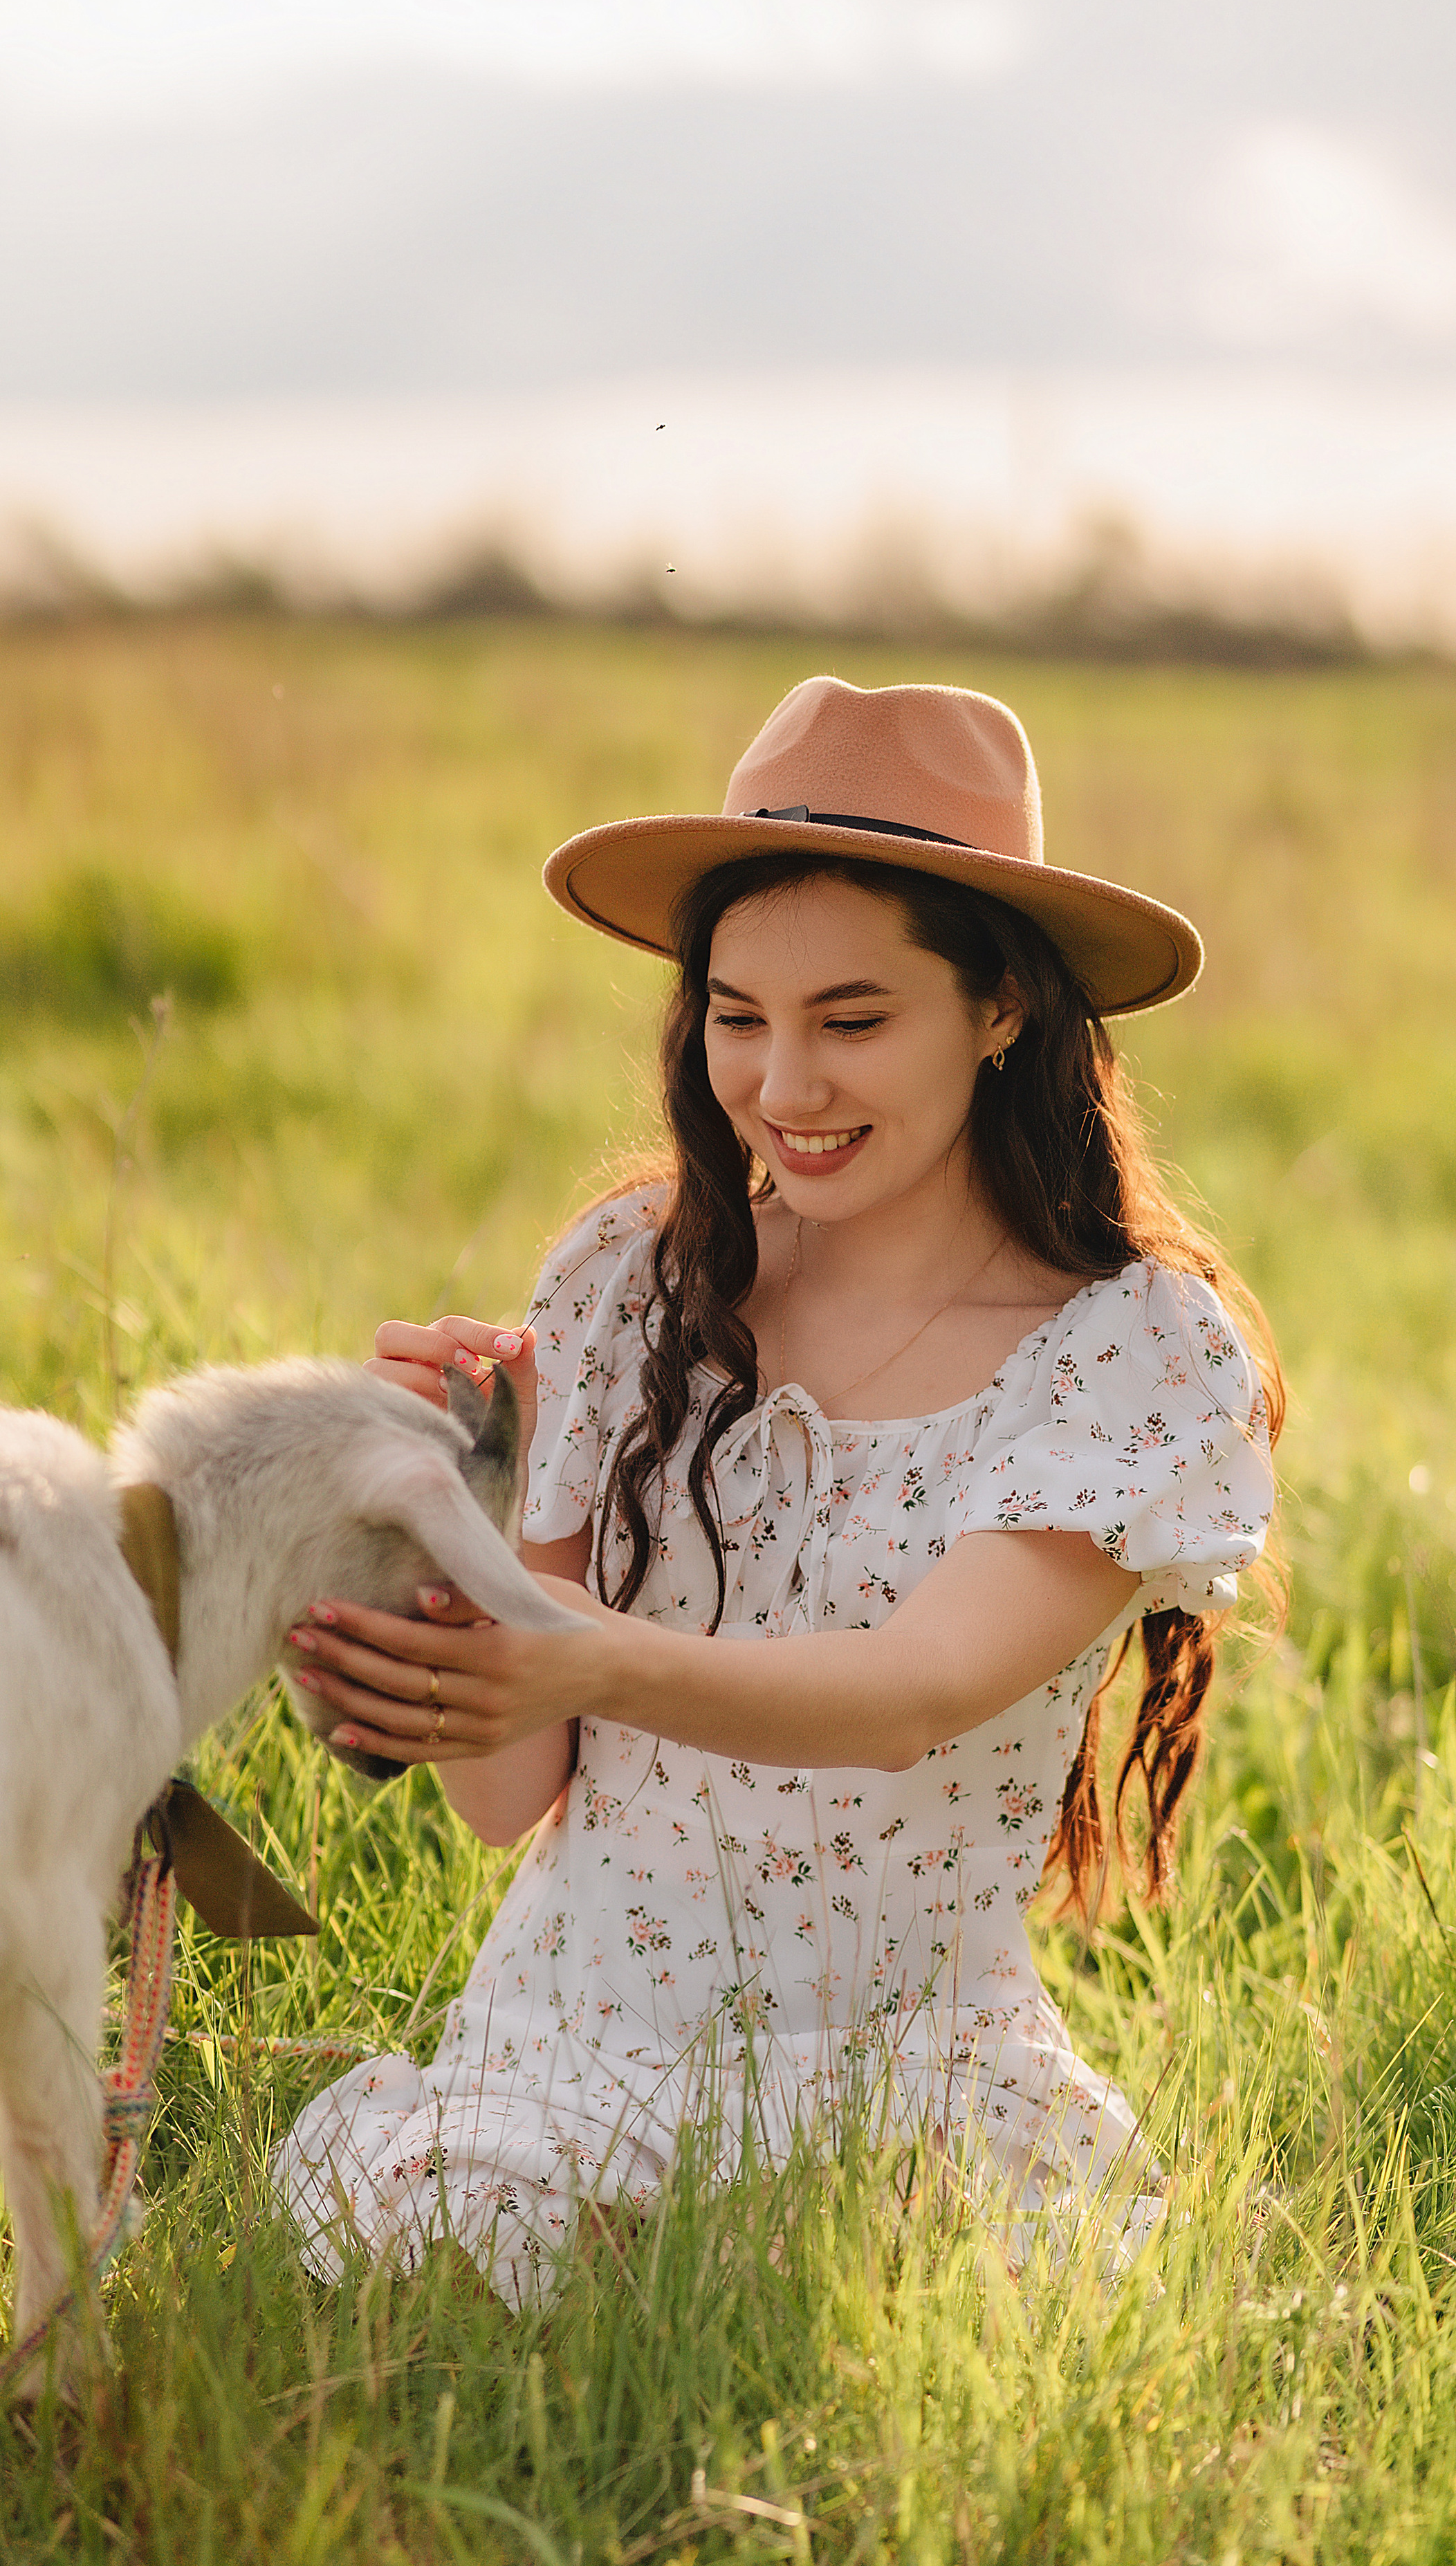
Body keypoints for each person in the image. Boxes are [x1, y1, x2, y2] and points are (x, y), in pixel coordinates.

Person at [270, 676, 1281, 2306]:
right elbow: (507, 1793)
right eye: (736, 1016)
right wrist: (449, 1513)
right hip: (566, 2041)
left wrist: (572, 1645)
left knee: (863, 2287)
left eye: (851, 1020)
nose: (783, 1084)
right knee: (481, 2283)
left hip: (902, 2071)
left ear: (1002, 1006)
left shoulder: (1125, 1351)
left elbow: (908, 1693)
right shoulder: (630, 1276)